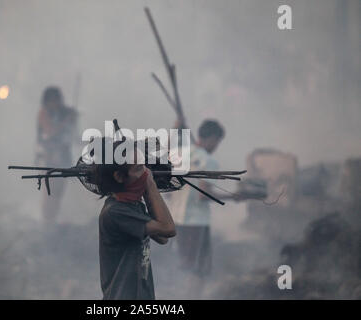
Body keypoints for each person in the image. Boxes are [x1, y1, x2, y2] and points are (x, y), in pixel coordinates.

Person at [95, 140, 176, 300]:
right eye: (139, 168)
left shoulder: (132, 205)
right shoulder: (116, 212)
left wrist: (145, 193)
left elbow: (162, 238)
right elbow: (168, 228)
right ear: (119, 176)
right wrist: (150, 185)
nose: (145, 172)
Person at [169, 119, 240, 298]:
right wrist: (232, 197)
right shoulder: (209, 162)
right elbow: (203, 195)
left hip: (176, 219)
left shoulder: (177, 154)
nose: (216, 146)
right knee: (199, 270)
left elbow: (168, 189)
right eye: (217, 141)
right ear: (211, 138)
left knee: (185, 266)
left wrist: (174, 129)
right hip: (197, 223)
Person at [36, 86, 78, 224]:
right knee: (50, 190)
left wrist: (72, 119)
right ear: (47, 102)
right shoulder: (44, 113)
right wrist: (66, 121)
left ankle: (52, 220)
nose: (55, 103)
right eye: (52, 101)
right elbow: (50, 132)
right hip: (49, 157)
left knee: (59, 191)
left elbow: (72, 135)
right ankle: (47, 221)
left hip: (63, 156)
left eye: (57, 100)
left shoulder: (64, 113)